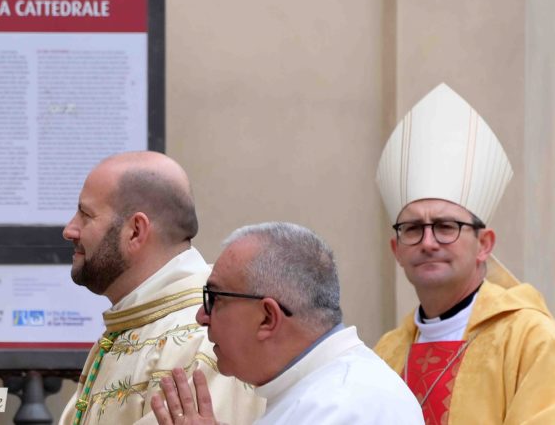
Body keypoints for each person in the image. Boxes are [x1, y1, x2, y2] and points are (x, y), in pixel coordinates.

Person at [374, 83, 555, 425]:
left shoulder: (530, 338)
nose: (428, 242)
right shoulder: (387, 352)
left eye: (446, 226)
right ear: (396, 250)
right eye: (412, 228)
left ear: (484, 244)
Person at [58, 152, 264, 425]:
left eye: (86, 215)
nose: (69, 230)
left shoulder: (209, 339)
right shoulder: (129, 323)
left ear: (135, 231)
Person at [150, 222, 424, 424]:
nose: (201, 316)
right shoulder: (321, 389)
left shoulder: (342, 407)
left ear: (268, 318)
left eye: (215, 298)